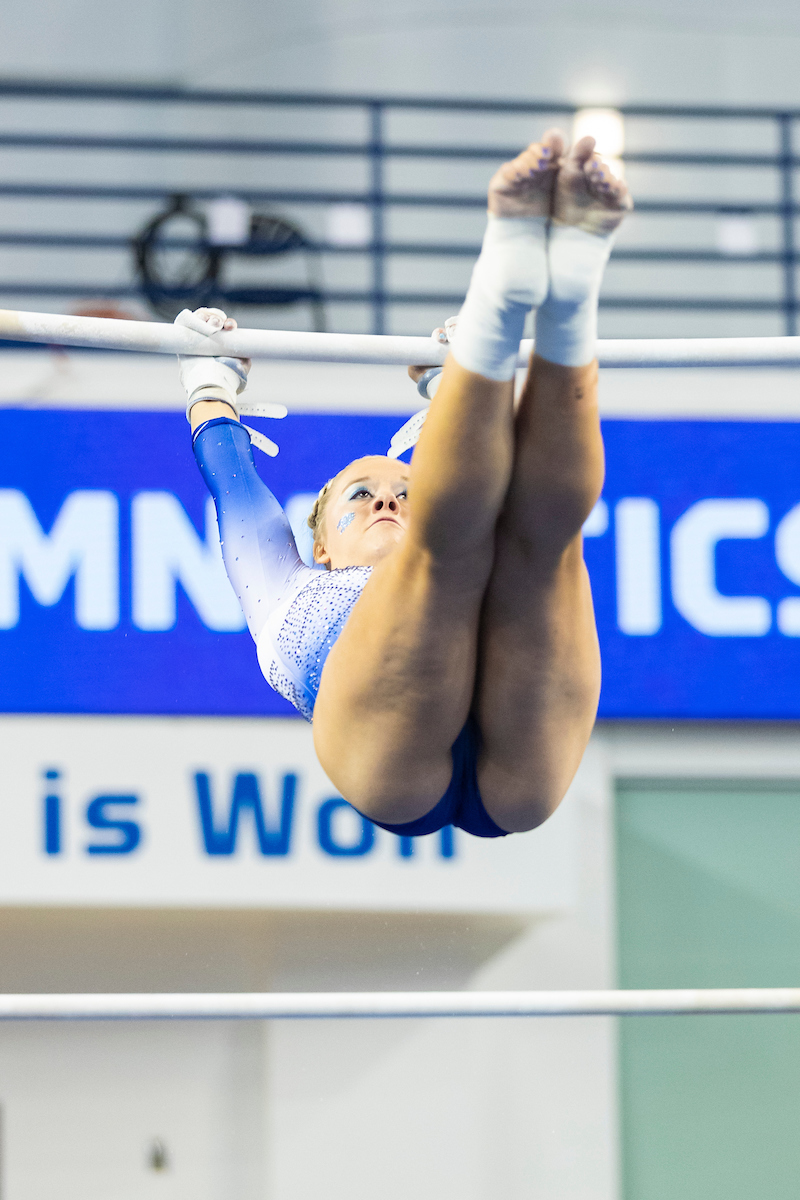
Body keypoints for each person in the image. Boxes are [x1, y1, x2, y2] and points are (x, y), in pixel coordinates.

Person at [180, 129, 631, 840]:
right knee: (468, 547)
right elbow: (234, 486)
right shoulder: (283, 582)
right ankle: (523, 290)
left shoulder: (426, 529)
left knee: (537, 543)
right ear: (320, 546)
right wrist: (211, 382)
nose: (387, 499)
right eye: (361, 496)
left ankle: (567, 285)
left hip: (476, 726)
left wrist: (208, 376)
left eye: (397, 491)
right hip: (401, 765)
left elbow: (452, 475)